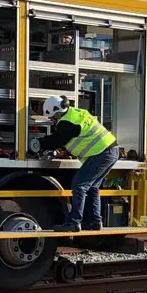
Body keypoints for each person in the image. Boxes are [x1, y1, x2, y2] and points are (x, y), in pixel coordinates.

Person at [33, 95, 118, 232]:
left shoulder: (66, 123)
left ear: (57, 112)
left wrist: (38, 144)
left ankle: (74, 223)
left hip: (101, 153)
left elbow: (56, 140)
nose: (51, 120)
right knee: (92, 188)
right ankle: (94, 221)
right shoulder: (75, 113)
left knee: (79, 185)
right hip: (110, 151)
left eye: (52, 117)